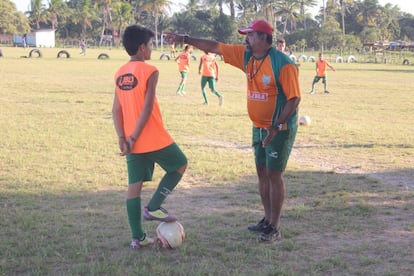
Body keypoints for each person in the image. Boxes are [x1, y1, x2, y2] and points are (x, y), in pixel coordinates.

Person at [166, 19, 301, 243]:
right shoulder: (246, 55)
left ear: (264, 38)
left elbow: (294, 98)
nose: (246, 39)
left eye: (250, 35)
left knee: (274, 174)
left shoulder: (283, 64)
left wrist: (276, 125)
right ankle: (267, 220)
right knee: (261, 172)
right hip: (258, 126)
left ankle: (275, 227)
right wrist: (185, 39)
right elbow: (215, 46)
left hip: (279, 128)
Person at [112, 25, 188, 249]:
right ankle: (154, 206)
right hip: (151, 136)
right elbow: (146, 108)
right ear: (142, 47)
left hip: (130, 140)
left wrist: (122, 137)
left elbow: (116, 109)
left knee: (133, 187)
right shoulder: (151, 70)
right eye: (151, 45)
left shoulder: (119, 73)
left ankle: (138, 238)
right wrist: (135, 136)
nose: (152, 49)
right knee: (179, 165)